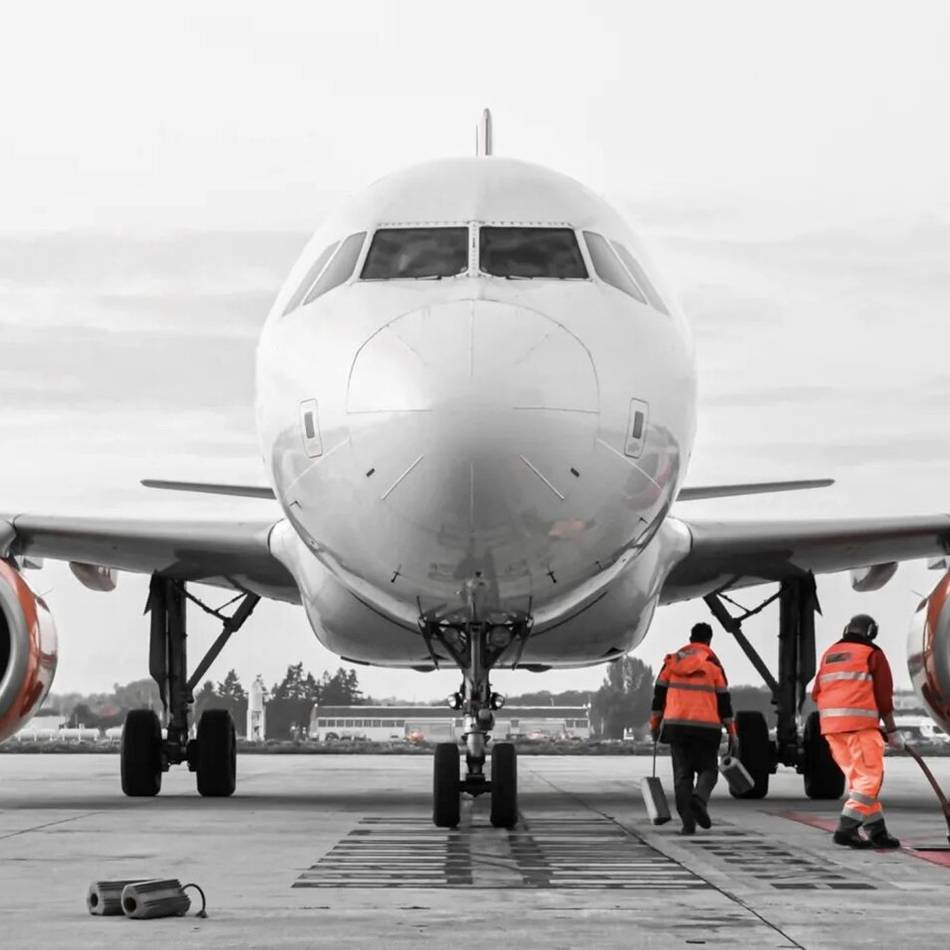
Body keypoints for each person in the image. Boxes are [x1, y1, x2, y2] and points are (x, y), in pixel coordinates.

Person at [812, 613, 904, 849]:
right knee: (870, 779)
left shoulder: (830, 654)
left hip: (832, 730)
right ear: (871, 630)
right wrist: (892, 731)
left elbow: (816, 693)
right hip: (859, 729)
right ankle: (846, 827)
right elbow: (884, 698)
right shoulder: (872, 653)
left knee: (859, 782)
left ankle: (877, 831)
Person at [649, 622, 737, 835]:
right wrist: (732, 732)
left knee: (682, 776)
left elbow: (658, 698)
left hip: (676, 727)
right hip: (707, 728)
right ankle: (699, 799)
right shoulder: (712, 665)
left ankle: (688, 823)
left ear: (690, 639)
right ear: (709, 641)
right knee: (708, 770)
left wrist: (654, 725)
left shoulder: (671, 663)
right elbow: (724, 702)